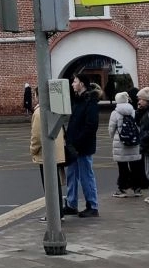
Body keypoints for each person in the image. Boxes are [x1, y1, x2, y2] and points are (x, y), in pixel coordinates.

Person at [62, 75, 102, 218]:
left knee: (86, 176)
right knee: (71, 175)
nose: (72, 84)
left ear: (82, 84)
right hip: (73, 145)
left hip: (83, 146)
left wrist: (77, 141)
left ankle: (92, 205)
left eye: (75, 81)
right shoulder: (78, 100)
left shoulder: (90, 102)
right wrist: (68, 139)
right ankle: (71, 204)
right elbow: (74, 122)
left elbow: (91, 126)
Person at [29, 91, 66, 221]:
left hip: (46, 154)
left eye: (35, 95)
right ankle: (59, 213)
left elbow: (36, 136)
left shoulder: (39, 112)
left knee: (49, 186)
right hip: (57, 152)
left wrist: (33, 150)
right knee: (55, 185)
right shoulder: (55, 108)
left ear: (38, 96)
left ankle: (53, 215)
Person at [109, 93, 146, 198]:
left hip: (120, 143)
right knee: (135, 166)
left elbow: (111, 129)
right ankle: (137, 188)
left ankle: (123, 188)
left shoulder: (115, 113)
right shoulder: (133, 111)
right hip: (133, 142)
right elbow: (138, 126)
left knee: (122, 167)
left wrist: (113, 137)